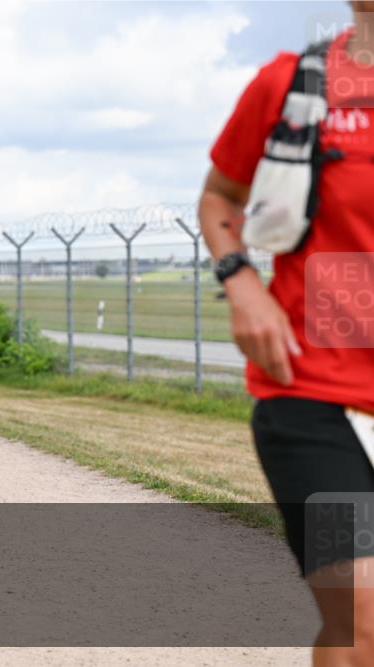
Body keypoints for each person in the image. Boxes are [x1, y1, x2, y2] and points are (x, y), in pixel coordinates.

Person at [199, 5, 374, 664]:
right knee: (362, 620)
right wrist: (241, 281)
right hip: (312, 399)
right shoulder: (293, 84)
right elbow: (220, 197)